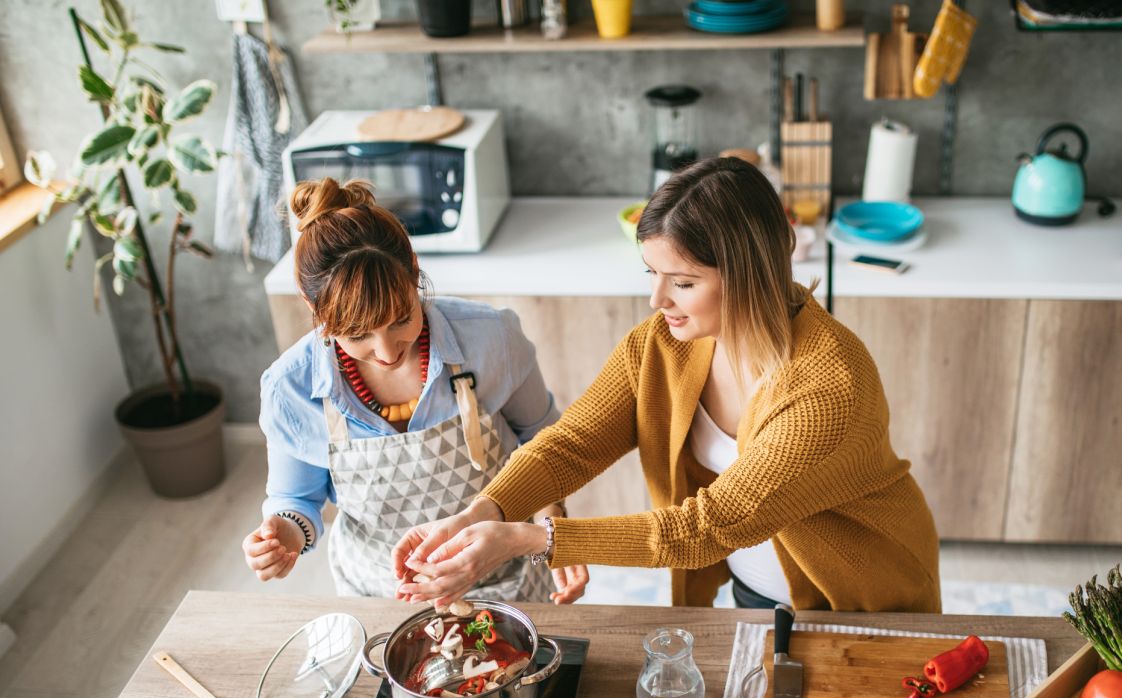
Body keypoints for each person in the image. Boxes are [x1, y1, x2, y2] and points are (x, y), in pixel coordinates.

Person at [392, 157, 940, 612]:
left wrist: (531, 540)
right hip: (757, 590)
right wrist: (481, 513)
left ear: (751, 271)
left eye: (683, 282)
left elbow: (710, 525)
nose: (658, 301)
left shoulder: (827, 387)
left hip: (860, 598)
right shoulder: (663, 343)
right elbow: (572, 444)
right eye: (651, 275)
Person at [242, 177, 588, 602]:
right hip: (380, 595)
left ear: (414, 269)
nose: (387, 352)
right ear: (314, 309)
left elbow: (544, 441)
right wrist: (283, 535)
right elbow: (296, 498)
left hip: (504, 584)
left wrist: (551, 519)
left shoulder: (491, 338)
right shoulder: (289, 388)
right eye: (358, 335)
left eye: (401, 318)